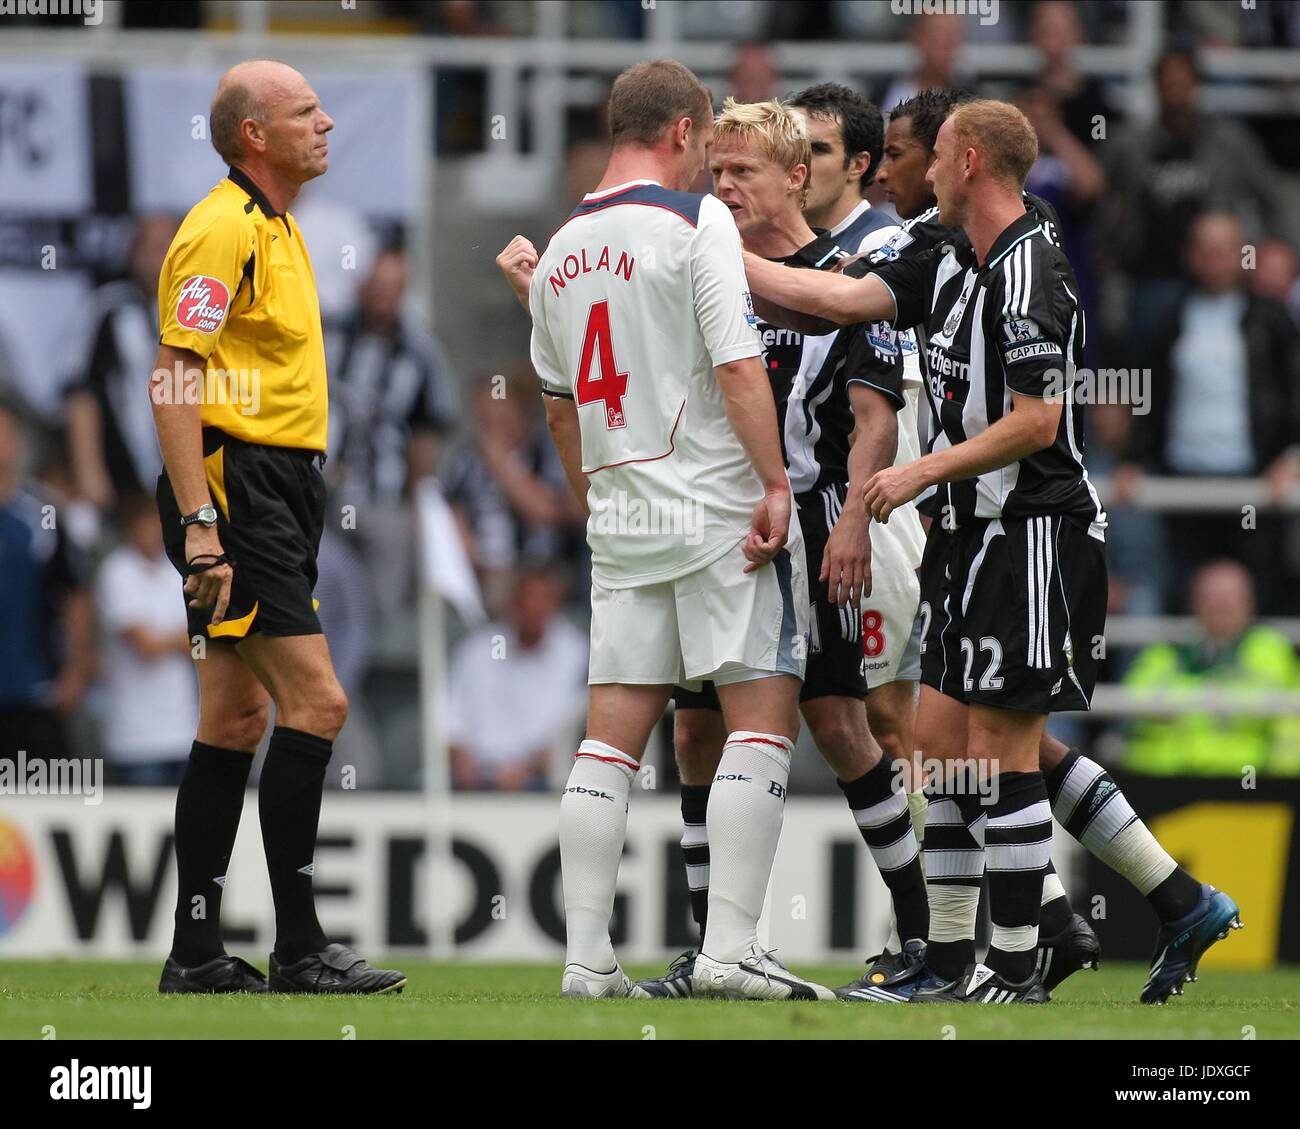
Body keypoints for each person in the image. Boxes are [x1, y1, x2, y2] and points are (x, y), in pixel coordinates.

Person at [744, 99, 1242, 1004]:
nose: (920, 170)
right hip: (969, 537)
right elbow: (834, 298)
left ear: (969, 160)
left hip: (1034, 531)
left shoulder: (1032, 268)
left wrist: (916, 473)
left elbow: (1038, 421)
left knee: (1005, 751)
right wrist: (707, 252)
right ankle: (956, 957)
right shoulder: (946, 257)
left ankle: (1011, 969)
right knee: (941, 747)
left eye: (930, 155)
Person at [496, 59, 828, 1001]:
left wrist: (599, 501)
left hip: (623, 516)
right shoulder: (696, 223)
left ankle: (587, 959)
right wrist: (774, 482)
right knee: (760, 717)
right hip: (718, 508)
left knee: (609, 741)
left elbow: (559, 409)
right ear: (683, 131)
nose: (710, 170)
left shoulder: (559, 248)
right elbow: (736, 366)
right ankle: (730, 946)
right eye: (706, 146)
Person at [631, 97, 927, 1002]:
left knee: (841, 724)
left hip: (815, 513)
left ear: (796, 176)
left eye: (742, 172)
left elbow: (878, 412)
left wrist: (847, 525)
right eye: (715, 171)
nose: (722, 186)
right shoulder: (705, 264)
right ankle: (711, 944)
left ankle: (925, 933)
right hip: (719, 523)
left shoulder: (852, 272)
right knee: (693, 731)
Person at [151, 59, 402, 995]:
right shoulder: (221, 229)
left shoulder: (276, 226)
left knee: (236, 714)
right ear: (255, 133)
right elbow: (173, 378)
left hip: (276, 484)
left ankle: (196, 951)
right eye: (305, 112)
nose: (327, 121)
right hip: (237, 486)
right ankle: (300, 945)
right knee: (318, 704)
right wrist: (201, 525)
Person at [1123, 210, 1300, 615]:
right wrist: (1133, 459)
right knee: (1187, 594)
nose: (1214, 260)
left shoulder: (1272, 321)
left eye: (1224, 251)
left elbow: (1293, 394)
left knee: (1257, 596)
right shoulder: (1169, 318)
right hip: (1184, 480)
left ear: (1243, 255)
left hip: (1255, 484)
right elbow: (1150, 396)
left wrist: (1291, 458)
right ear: (1191, 255)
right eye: (1205, 251)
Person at [1124, 561, 1300, 777]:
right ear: (1195, 602)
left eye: (1230, 596)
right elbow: (1134, 701)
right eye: (1212, 595)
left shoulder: (1270, 647)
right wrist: (1210, 697)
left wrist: (1185, 701)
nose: (1221, 604)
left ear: (1250, 603)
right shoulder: (1168, 648)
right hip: (1164, 778)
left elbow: (1261, 702)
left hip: (1244, 782)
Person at [63, 215, 179, 513]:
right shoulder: (108, 309)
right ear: (133, 252)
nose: (159, 255)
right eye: (150, 246)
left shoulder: (205, 308)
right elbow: (81, 391)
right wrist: (89, 470)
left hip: (190, 478)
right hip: (124, 482)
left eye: (166, 244)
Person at [0, 402, 94, 767]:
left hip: (35, 689)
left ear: (18, 444)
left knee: (38, 801)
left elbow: (75, 594)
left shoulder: (44, 514)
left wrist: (76, 668)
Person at [446, 564, 588, 791]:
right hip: (474, 781)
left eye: (543, 599)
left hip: (543, 781)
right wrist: (462, 759)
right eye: (529, 599)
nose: (535, 608)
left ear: (556, 604)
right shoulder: (477, 650)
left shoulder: (576, 655)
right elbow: (451, 717)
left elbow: (571, 732)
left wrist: (524, 771)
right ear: (513, 602)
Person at [96, 493, 198, 786]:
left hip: (183, 730)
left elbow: (199, 641)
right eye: (146, 524)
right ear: (130, 526)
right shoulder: (117, 572)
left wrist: (174, 640)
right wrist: (183, 640)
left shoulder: (177, 570)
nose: (154, 531)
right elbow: (145, 646)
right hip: (134, 737)